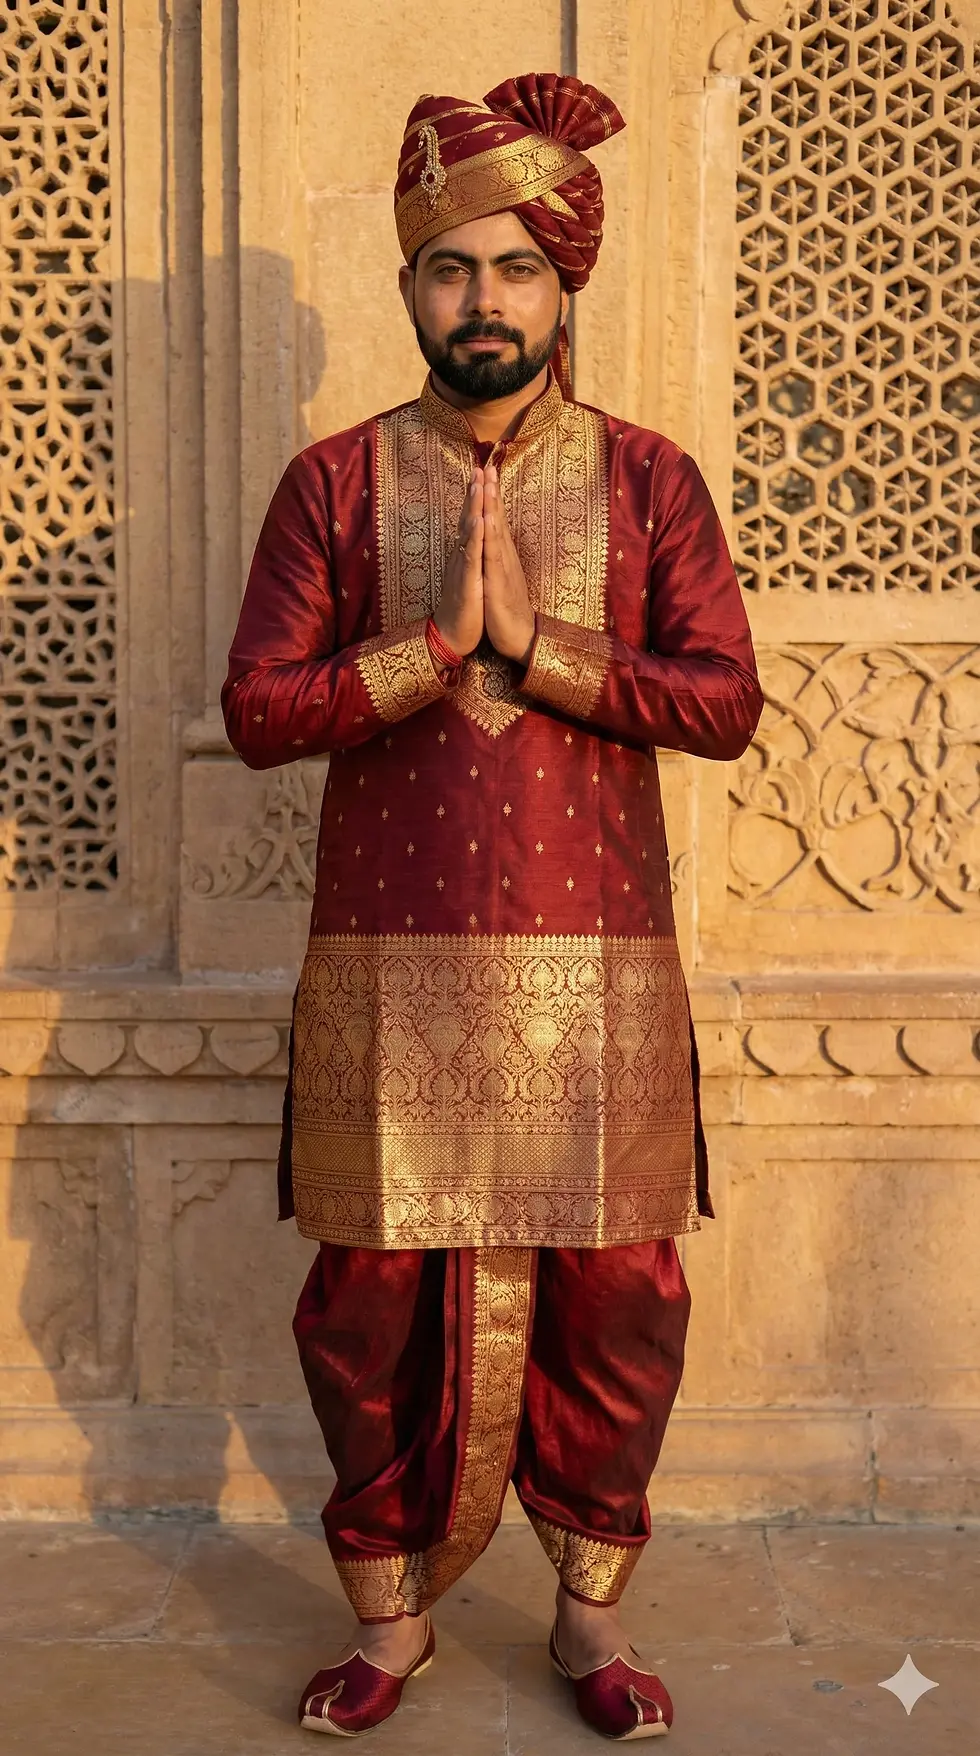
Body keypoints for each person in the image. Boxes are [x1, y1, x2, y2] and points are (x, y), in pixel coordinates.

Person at [222, 72, 762, 1743]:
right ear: (407, 289)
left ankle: (589, 1622)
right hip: (389, 975)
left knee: (620, 1302)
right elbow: (258, 711)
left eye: (514, 267)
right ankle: (389, 1625)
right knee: (367, 1304)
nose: (482, 301)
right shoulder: (333, 485)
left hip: (598, 975)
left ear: (562, 284)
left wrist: (546, 653)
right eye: (450, 269)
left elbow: (724, 701)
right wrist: (433, 651)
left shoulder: (650, 482)